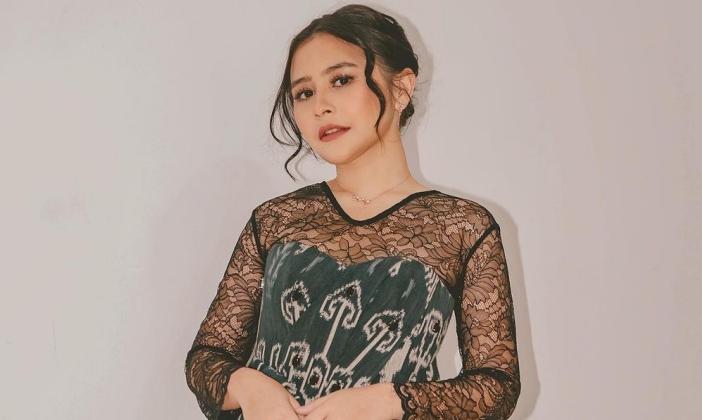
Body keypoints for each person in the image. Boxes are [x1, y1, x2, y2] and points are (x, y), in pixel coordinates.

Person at [185, 4, 520, 419]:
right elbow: (206, 358)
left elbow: (497, 387)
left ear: (401, 88)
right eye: (304, 93)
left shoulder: (463, 227)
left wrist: (388, 400)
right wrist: (250, 387)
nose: (320, 106)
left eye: (341, 80)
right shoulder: (275, 220)